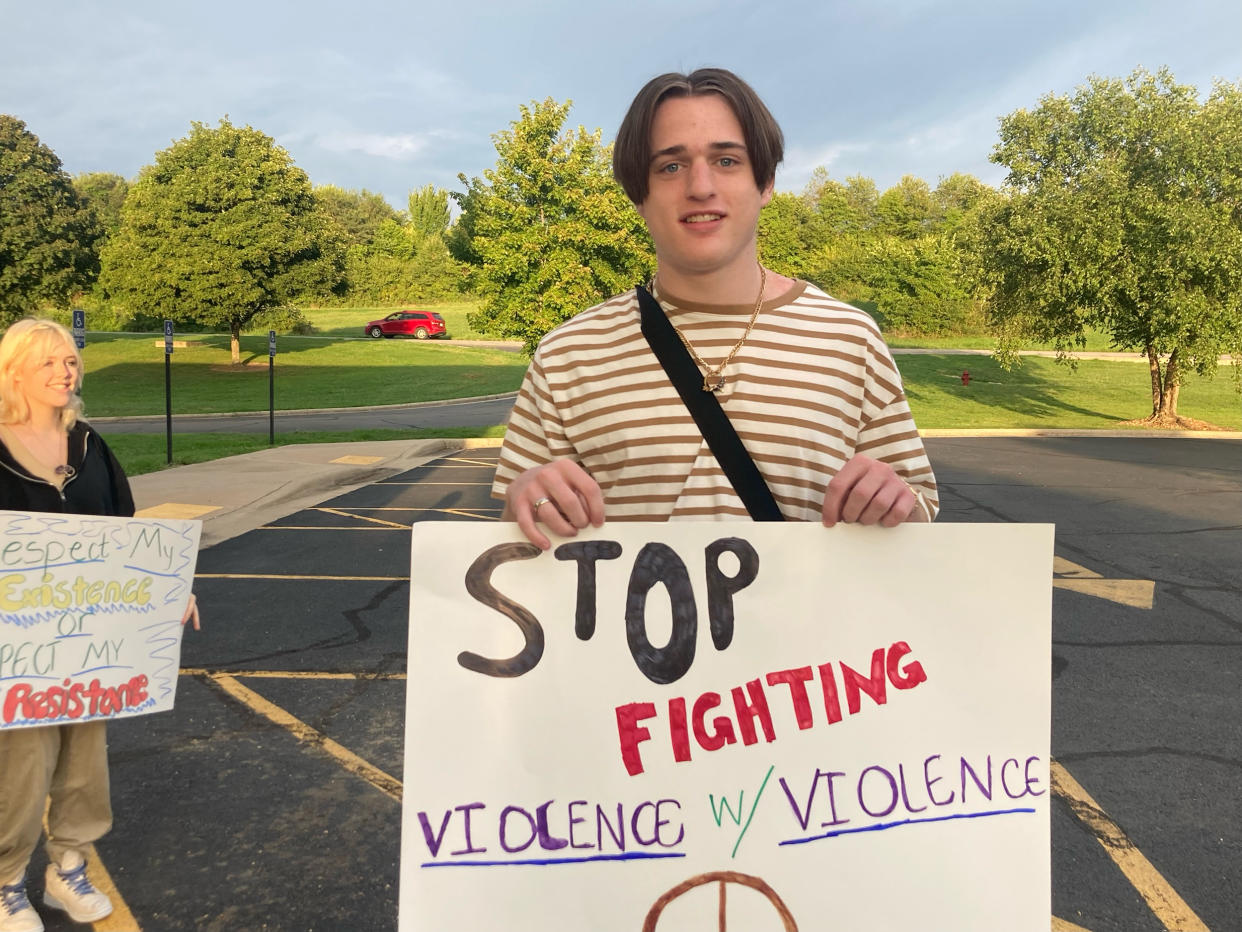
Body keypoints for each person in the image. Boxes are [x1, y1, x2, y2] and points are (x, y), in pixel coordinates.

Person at [493, 68, 938, 547]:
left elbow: (918, 513)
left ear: (765, 182)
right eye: (670, 166)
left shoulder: (850, 339)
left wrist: (898, 501)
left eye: (726, 160)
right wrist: (526, 498)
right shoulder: (568, 355)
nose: (700, 186)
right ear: (638, 195)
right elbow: (513, 542)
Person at [0, 319, 199, 932]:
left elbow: (129, 533)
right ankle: (8, 883)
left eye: (70, 361)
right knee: (22, 761)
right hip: (20, 643)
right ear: (14, 374)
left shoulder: (88, 444)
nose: (66, 371)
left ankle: (68, 867)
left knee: (86, 761)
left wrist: (172, 590)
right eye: (50, 363)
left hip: (95, 642)